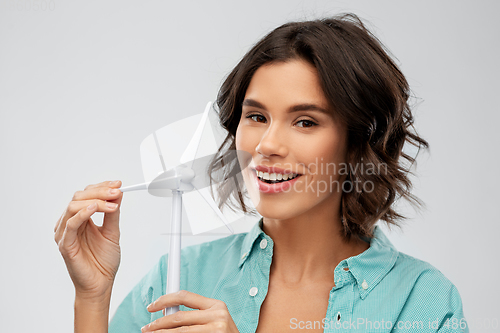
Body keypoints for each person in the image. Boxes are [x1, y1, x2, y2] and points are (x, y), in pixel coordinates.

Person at [55, 14, 468, 333]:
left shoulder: (422, 302)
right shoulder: (177, 277)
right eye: (256, 116)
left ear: (358, 141)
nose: (267, 144)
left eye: (305, 121)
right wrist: (92, 296)